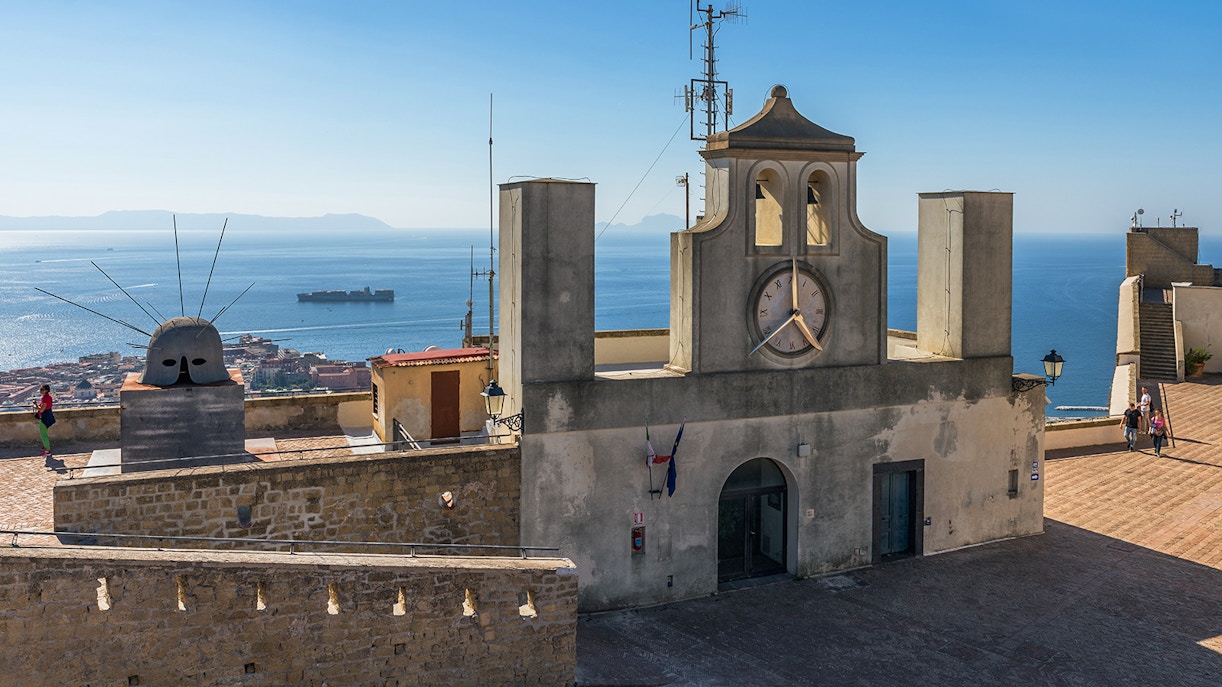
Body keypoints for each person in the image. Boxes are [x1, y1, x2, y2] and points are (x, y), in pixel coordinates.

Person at [33, 384, 55, 463]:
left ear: (46, 390)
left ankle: (47, 450)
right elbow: (42, 406)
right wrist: (37, 405)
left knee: (43, 434)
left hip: (44, 417)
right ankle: (46, 447)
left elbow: (42, 410)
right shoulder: (47, 397)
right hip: (47, 416)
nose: (40, 390)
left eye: (42, 389)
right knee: (44, 433)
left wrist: (36, 406)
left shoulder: (46, 398)